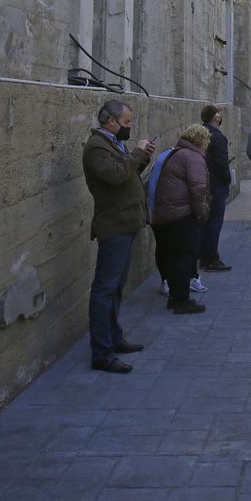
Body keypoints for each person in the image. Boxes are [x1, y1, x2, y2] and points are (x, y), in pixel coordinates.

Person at [83, 99, 156, 373]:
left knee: (115, 288)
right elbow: (115, 175)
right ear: (111, 121)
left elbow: (128, 175)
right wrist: (136, 153)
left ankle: (114, 337)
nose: (129, 127)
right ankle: (102, 352)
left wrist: (142, 157)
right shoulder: (97, 147)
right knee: (104, 289)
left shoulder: (113, 144)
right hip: (113, 225)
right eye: (126, 122)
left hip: (126, 223)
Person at [151, 124, 212, 315]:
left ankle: (175, 297)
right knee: (185, 258)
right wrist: (201, 213)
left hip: (169, 214)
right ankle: (181, 301)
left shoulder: (175, 153)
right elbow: (198, 188)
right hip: (183, 216)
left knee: (175, 257)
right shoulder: (193, 157)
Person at [198, 106, 233, 272]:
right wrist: (227, 180)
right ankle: (211, 258)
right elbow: (221, 162)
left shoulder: (199, 133)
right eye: (218, 115)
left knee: (205, 221)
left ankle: (203, 255)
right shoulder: (217, 136)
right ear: (215, 118)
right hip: (216, 184)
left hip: (202, 182)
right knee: (214, 221)